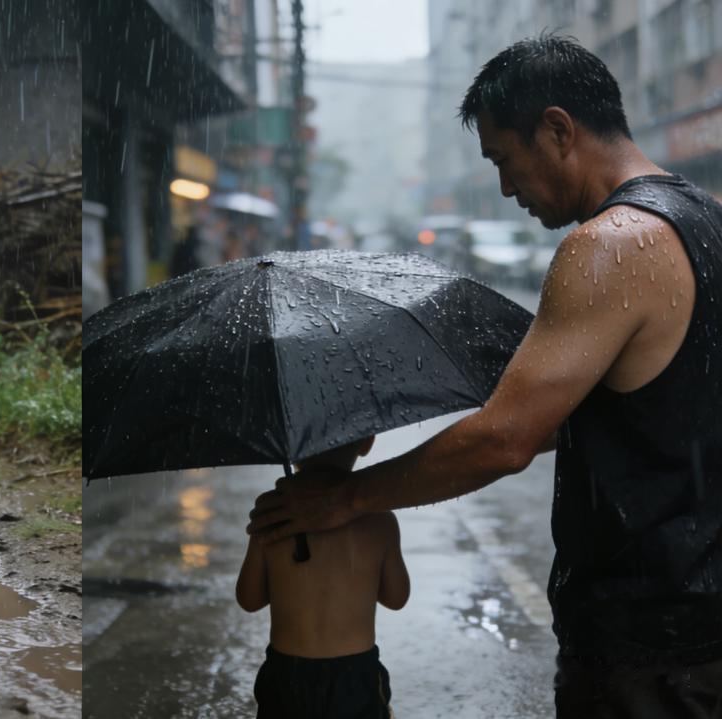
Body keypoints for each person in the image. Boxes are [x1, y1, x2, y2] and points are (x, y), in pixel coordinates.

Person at [247, 33, 722, 715]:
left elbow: (504, 439)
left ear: (557, 129)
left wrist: (344, 499)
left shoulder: (610, 245)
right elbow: (659, 410)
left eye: (505, 159)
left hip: (647, 648)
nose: (504, 188)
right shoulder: (706, 220)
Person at [237, 436, 408, 719]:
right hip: (355, 678)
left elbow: (249, 599)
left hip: (286, 676)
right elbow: (397, 598)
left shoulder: (272, 513)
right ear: (367, 442)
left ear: (288, 446)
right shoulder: (379, 519)